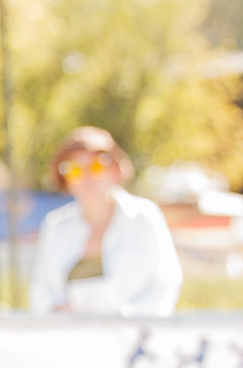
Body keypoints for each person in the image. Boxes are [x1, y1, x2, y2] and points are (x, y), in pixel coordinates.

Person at [28, 127, 181, 316]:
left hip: (136, 339)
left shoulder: (144, 216)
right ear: (65, 179)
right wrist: (58, 313)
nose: (87, 176)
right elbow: (40, 292)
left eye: (97, 166)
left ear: (115, 169)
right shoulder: (55, 226)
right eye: (74, 169)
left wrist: (129, 319)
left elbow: (166, 282)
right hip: (70, 339)